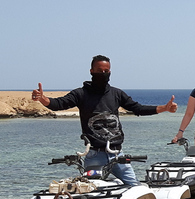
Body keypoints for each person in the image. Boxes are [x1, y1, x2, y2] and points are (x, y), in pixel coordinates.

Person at [31, 54, 178, 186]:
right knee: (91, 194)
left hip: (117, 154)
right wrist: (43, 99)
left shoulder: (116, 94)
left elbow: (137, 108)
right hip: (95, 155)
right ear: (91, 71)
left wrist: (164, 108)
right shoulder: (81, 94)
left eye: (106, 71)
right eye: (99, 71)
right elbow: (59, 104)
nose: (103, 73)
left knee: (135, 189)